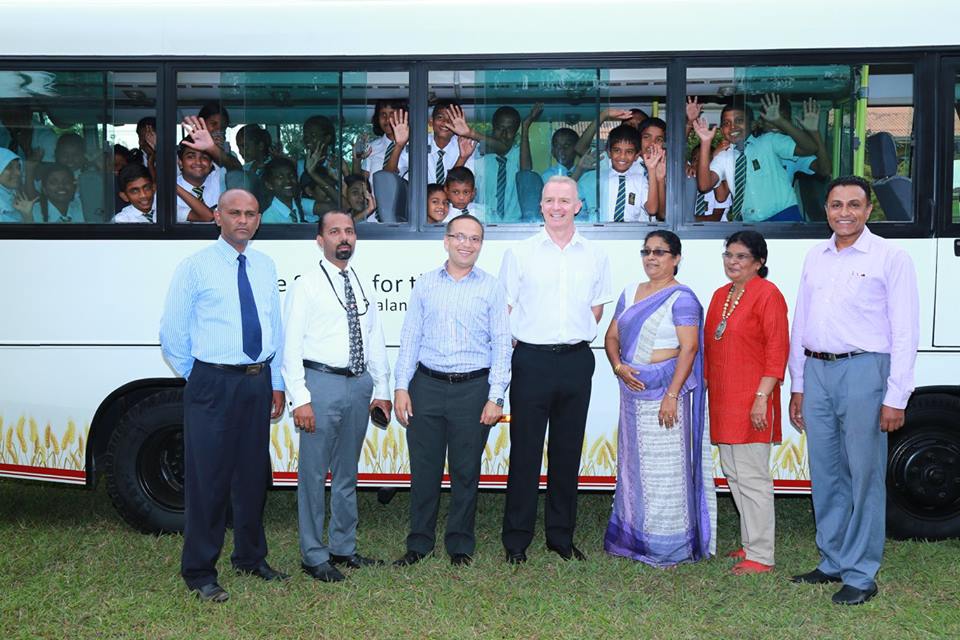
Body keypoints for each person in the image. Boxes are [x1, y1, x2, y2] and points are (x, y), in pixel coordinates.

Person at [787, 176, 919, 605]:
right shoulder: (816, 256)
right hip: (817, 371)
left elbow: (905, 331)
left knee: (863, 475)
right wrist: (799, 385)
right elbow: (800, 323)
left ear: (868, 210)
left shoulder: (891, 257)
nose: (844, 212)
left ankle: (861, 574)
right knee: (825, 473)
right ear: (825, 209)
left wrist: (896, 396)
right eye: (836, 205)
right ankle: (832, 560)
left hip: (865, 371)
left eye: (854, 205)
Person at [159, 188, 289, 603]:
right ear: (217, 216)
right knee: (208, 480)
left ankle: (250, 557)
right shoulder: (195, 267)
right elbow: (172, 334)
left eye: (251, 213)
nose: (244, 221)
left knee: (252, 477)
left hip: (256, 379)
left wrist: (277, 382)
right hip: (212, 382)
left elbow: (275, 328)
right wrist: (197, 377)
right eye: (235, 213)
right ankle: (199, 570)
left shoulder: (266, 266)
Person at [499, 175, 613, 563]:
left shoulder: (595, 255)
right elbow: (507, 309)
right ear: (541, 206)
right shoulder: (520, 253)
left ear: (578, 205)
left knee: (567, 453)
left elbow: (596, 308)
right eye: (550, 200)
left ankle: (561, 538)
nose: (557, 206)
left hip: (577, 361)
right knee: (525, 453)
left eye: (565, 200)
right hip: (531, 360)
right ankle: (516, 541)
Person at [392, 214, 511, 567]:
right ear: (446, 240)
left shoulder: (491, 287)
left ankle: (460, 544)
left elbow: (502, 344)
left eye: (474, 239)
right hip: (426, 386)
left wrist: (496, 396)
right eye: (459, 236)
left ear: (481, 245)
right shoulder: (426, 284)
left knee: (465, 471)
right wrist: (401, 387)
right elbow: (410, 338)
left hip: (473, 390)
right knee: (424, 471)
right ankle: (419, 543)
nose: (466, 244)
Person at [281, 209, 392, 583]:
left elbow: (374, 339)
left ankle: (343, 548)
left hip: (359, 385)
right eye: (334, 232)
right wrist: (301, 398)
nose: (343, 237)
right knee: (313, 475)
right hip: (320, 385)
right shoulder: (306, 285)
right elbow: (290, 347)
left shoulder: (360, 282)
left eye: (349, 231)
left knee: (347, 473)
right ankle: (313, 555)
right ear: (320, 239)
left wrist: (382, 390)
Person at [603, 230, 716, 567]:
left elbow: (690, 348)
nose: (652, 258)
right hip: (633, 394)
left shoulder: (681, 298)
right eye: (647, 251)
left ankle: (668, 545)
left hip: (666, 393)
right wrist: (619, 366)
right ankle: (634, 538)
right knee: (634, 468)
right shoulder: (629, 292)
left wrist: (671, 394)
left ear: (676, 258)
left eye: (660, 252)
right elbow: (612, 336)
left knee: (667, 470)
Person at [703, 230, 788, 575]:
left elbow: (776, 351)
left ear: (759, 262)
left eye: (741, 257)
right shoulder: (721, 294)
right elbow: (710, 350)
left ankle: (761, 555)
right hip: (724, 400)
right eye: (728, 255)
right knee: (734, 474)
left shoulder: (768, 295)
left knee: (752, 477)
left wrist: (761, 398)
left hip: (754, 399)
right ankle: (749, 543)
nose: (732, 262)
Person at [692, 95, 817, 222]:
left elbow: (810, 148)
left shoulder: (769, 141)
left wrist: (781, 122)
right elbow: (704, 185)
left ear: (752, 125)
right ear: (722, 129)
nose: (733, 127)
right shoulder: (724, 157)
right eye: (726, 123)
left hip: (785, 217)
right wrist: (705, 142)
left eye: (739, 121)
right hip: (751, 224)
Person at [445, 105, 523, 221]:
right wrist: (463, 157)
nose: (504, 134)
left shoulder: (520, 154)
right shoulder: (478, 154)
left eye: (510, 130)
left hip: (515, 224)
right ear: (493, 127)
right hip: (482, 221)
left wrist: (470, 132)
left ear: (516, 132)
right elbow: (455, 181)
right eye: (500, 128)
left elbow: (504, 148)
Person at [577, 124, 662, 222]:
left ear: (636, 156)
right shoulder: (596, 179)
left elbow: (652, 210)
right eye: (617, 150)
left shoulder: (640, 180)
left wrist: (651, 169)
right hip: (600, 233)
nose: (622, 157)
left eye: (629, 152)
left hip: (630, 234)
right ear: (609, 152)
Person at [427, 100, 476, 185]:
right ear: (431, 121)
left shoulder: (466, 145)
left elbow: (501, 146)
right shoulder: (418, 143)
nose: (446, 123)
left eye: (451, 119)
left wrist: (462, 158)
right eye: (440, 117)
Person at [259, 157, 320, 224]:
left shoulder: (299, 204)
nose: (288, 181)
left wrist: (312, 173)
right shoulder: (269, 218)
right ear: (269, 185)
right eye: (280, 177)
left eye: (291, 175)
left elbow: (331, 207)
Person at [359, 100, 410, 178]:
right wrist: (356, 160)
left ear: (402, 117)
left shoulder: (415, 147)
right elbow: (363, 182)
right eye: (383, 114)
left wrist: (398, 145)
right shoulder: (371, 147)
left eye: (392, 114)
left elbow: (388, 178)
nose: (387, 119)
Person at [0, 149, 25, 223]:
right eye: (9, 167)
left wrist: (27, 215)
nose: (18, 173)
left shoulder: (15, 196)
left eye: (19, 167)